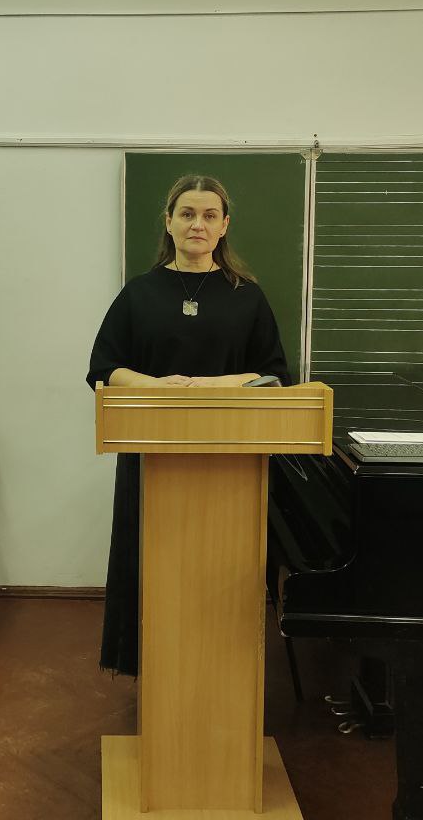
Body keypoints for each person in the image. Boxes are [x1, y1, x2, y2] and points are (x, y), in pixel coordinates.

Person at [85, 174, 289, 675]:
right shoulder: (139, 293)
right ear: (169, 222)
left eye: (209, 215)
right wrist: (159, 386)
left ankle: (220, 673)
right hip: (150, 458)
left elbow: (274, 377)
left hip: (230, 465)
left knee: (218, 571)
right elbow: (103, 370)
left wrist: (209, 386)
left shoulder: (247, 297)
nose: (198, 224)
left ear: (224, 227)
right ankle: (154, 672)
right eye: (188, 214)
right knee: (151, 568)